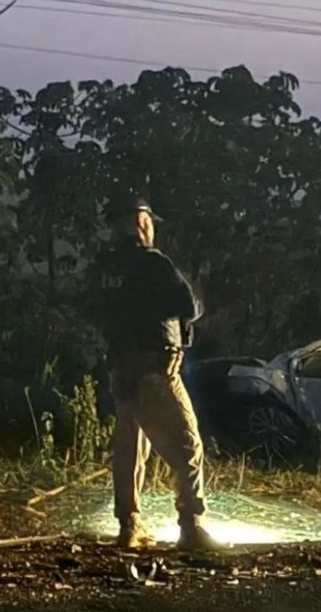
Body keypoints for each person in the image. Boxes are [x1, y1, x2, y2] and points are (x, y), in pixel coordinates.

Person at [96, 192, 218, 552]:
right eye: (148, 222)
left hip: (122, 366)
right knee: (187, 444)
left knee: (130, 448)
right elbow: (189, 304)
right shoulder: (152, 262)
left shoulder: (107, 270)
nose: (150, 229)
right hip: (155, 367)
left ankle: (129, 525)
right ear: (139, 222)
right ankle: (191, 525)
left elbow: (95, 313)